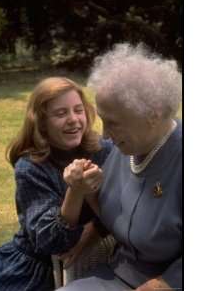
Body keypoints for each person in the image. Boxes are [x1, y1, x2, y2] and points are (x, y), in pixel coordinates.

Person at [0, 77, 113, 291]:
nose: (73, 119)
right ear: (41, 122)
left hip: (97, 261)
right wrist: (76, 190)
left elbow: (126, 202)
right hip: (31, 269)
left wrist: (94, 229)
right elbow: (52, 243)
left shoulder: (103, 150)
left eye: (78, 110)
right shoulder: (31, 167)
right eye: (61, 113)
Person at [58, 43, 182, 291]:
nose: (105, 135)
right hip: (115, 275)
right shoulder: (125, 149)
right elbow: (112, 211)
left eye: (113, 123)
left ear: (152, 115)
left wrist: (169, 282)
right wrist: (84, 193)